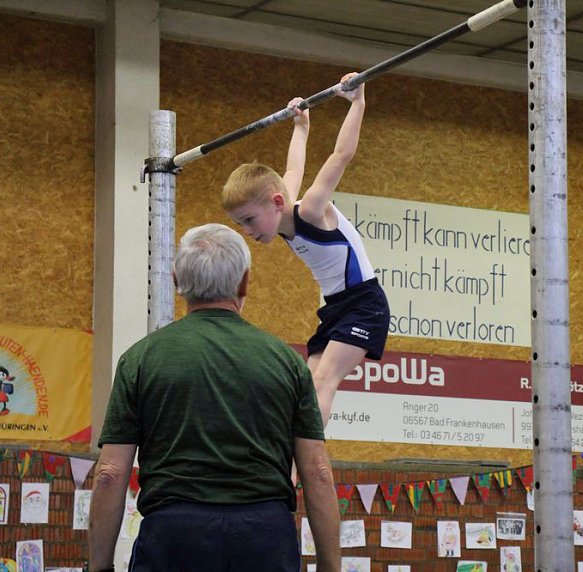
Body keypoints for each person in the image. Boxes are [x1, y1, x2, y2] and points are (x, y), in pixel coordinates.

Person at [88, 223, 341, 572]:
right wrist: (331, 566)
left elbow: (110, 473)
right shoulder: (287, 363)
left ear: (177, 281)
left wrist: (99, 567)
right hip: (264, 537)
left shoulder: (140, 360)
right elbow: (318, 472)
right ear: (244, 283)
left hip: (174, 536)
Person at [222, 72, 390, 429]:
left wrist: (358, 101)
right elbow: (293, 167)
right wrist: (301, 125)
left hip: (365, 305)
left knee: (323, 380)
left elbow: (341, 156)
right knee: (305, 386)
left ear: (276, 203)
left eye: (249, 220)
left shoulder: (311, 209)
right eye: (241, 224)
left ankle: (304, 456)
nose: (248, 232)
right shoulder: (279, 209)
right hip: (336, 308)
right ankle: (292, 451)